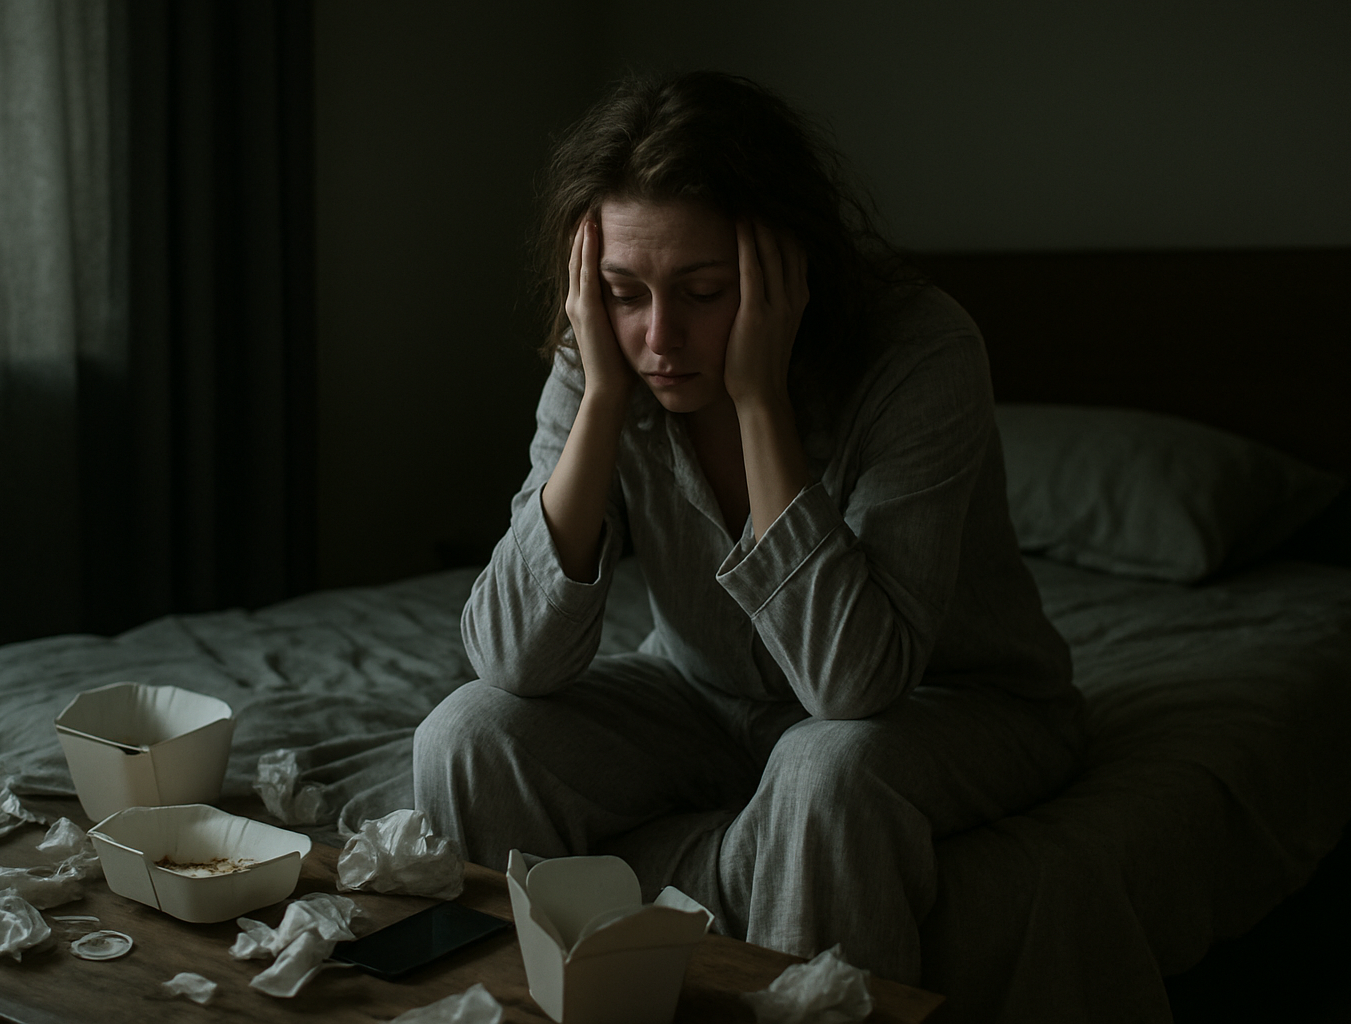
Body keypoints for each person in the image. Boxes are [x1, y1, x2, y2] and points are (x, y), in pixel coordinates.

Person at [412, 70, 1084, 985]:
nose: (660, 337)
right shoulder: (610, 355)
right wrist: (601, 398)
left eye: (703, 290)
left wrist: (760, 400)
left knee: (823, 767)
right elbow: (511, 657)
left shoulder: (921, 351)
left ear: (787, 270)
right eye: (624, 291)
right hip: (704, 691)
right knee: (465, 734)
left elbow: (853, 684)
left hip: (953, 702)